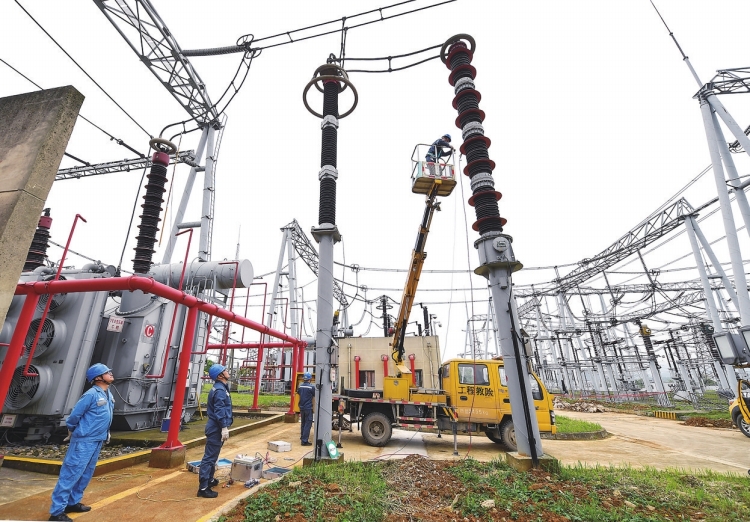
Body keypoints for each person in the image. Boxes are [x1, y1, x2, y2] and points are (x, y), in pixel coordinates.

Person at [48, 364, 114, 522]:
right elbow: (74, 417)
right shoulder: (91, 395)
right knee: (70, 474)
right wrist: (73, 430)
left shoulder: (108, 394)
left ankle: (72, 503)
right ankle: (56, 512)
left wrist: (106, 433)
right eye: (107, 372)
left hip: (97, 440)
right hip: (84, 441)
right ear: (98, 378)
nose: (111, 374)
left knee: (85, 474)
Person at [197, 364, 233, 498]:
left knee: (213, 456)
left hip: (216, 426)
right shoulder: (220, 390)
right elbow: (219, 410)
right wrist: (223, 427)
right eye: (225, 370)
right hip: (216, 428)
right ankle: (203, 488)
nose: (227, 371)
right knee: (209, 458)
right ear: (220, 375)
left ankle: (210, 479)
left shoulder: (221, 387)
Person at [297, 372, 315, 447]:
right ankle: (304, 441)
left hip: (302, 407)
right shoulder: (311, 387)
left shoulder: (300, 387)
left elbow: (298, 393)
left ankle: (302, 438)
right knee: (308, 424)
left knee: (303, 423)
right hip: (308, 408)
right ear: (310, 379)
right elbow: (314, 395)